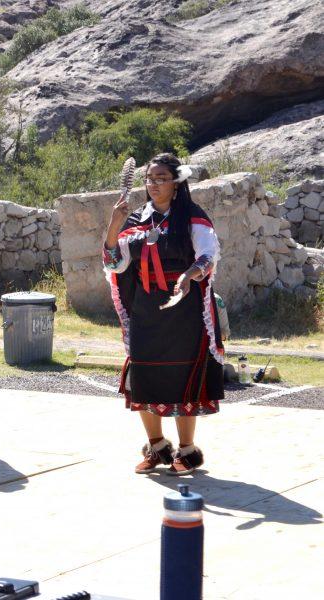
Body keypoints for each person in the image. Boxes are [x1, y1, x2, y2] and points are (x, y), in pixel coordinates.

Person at [103, 153, 224, 476]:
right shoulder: (135, 219)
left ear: (176, 182)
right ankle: (157, 446)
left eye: (161, 179)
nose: (153, 185)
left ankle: (187, 451)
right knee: (143, 374)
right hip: (146, 310)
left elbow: (208, 256)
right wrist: (114, 225)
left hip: (184, 310)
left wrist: (188, 276)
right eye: (150, 179)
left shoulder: (192, 217)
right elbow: (116, 263)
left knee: (183, 376)